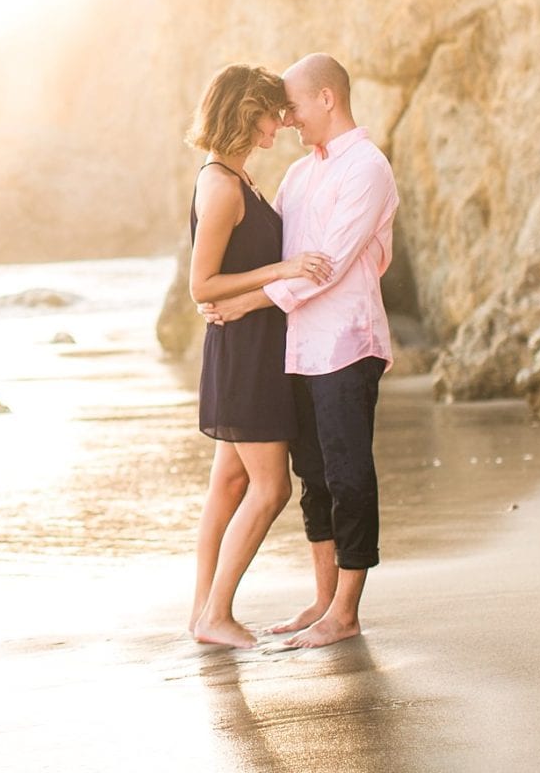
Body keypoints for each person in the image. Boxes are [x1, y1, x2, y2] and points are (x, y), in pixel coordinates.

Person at [200, 53, 398, 649]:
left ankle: (346, 611)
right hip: (296, 350)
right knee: (312, 476)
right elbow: (270, 250)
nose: (285, 120)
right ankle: (321, 598)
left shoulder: (367, 168)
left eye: (292, 107)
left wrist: (246, 303)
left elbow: (330, 268)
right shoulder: (297, 176)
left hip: (346, 343)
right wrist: (220, 291)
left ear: (327, 100)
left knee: (348, 474)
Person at [183, 63, 334, 649]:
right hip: (245, 354)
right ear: (248, 111)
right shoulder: (221, 184)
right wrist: (286, 268)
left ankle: (201, 612)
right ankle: (217, 613)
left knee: (227, 486)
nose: (282, 122)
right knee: (271, 490)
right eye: (275, 111)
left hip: (249, 345)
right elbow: (202, 284)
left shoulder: (235, 178)